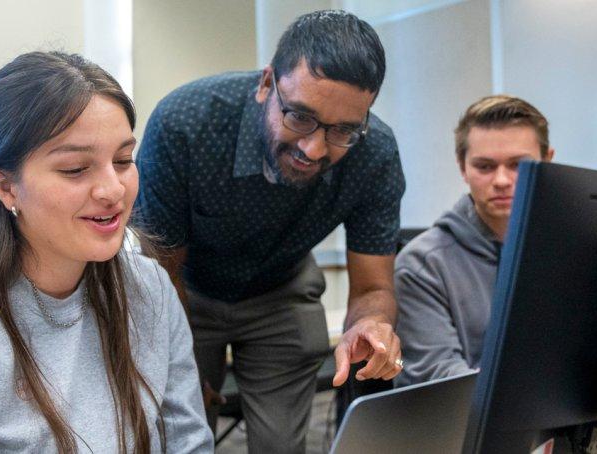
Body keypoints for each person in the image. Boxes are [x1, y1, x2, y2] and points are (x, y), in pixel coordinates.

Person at [0, 51, 213, 453]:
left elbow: (188, 443)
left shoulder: (148, 288)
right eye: (75, 169)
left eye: (122, 160)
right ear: (6, 187)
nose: (114, 190)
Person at [134, 10, 405, 451]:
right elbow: (159, 271)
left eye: (342, 130)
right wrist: (178, 365)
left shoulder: (375, 154)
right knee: (179, 434)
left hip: (282, 288)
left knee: (280, 444)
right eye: (300, 116)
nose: (313, 148)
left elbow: (374, 286)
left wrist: (372, 323)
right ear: (266, 85)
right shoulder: (185, 122)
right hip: (183, 289)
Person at [394, 95, 555, 386]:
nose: (502, 180)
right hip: (465, 427)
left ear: (548, 161)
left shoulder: (568, 249)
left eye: (519, 165)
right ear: (462, 167)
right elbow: (441, 380)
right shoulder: (422, 264)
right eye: (485, 166)